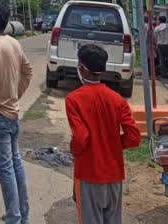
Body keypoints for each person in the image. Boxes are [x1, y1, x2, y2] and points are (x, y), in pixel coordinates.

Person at [66, 44, 141, 224]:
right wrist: (112, 143)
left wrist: (73, 149)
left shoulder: (73, 99)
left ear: (81, 69)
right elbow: (134, 137)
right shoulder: (117, 99)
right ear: (104, 69)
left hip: (88, 172)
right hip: (114, 172)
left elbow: (81, 138)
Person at [0, 4, 33, 224]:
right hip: (12, 113)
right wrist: (15, 94)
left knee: (6, 170)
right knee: (15, 165)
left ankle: (14, 217)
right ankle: (22, 213)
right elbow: (27, 71)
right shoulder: (14, 43)